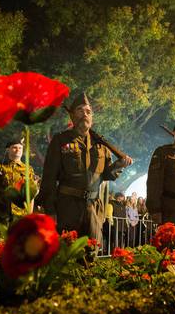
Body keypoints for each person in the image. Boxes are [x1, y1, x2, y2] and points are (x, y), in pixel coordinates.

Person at [38, 93, 132, 245]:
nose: (85, 114)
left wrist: (119, 166)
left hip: (93, 208)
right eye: (80, 110)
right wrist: (50, 210)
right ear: (73, 116)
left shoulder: (102, 145)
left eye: (88, 111)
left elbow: (107, 174)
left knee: (91, 251)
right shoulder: (60, 140)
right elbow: (49, 177)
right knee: (67, 252)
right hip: (67, 207)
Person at [0, 138, 37, 239]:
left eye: (20, 148)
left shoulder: (28, 170)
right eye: (14, 148)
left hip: (20, 214)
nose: (17, 150)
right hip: (0, 213)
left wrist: (29, 214)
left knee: (17, 245)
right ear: (8, 150)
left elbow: (30, 195)